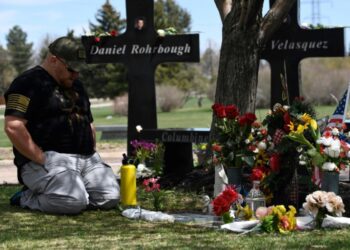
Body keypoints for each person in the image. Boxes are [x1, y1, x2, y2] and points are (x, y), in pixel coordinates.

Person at [4, 36, 120, 214]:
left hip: (86, 159)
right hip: (47, 160)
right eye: (71, 69)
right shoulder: (26, 83)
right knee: (73, 202)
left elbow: (88, 122)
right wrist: (42, 159)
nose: (76, 74)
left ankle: (68, 193)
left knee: (109, 197)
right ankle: (26, 197)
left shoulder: (77, 85)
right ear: (53, 60)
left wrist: (91, 152)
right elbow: (13, 126)